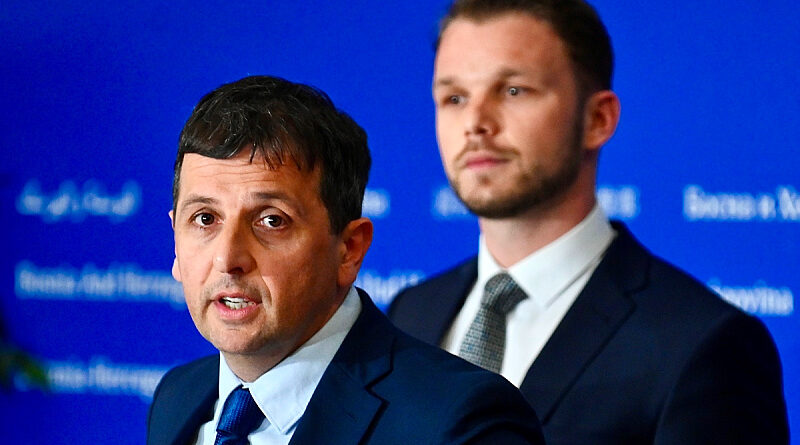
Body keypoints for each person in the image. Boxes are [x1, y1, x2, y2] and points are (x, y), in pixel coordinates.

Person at [389, 1, 790, 443]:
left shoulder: (704, 346)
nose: (475, 123)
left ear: (598, 119)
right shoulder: (410, 313)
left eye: (513, 91)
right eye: (454, 98)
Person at [147, 75, 545, 445]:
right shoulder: (177, 397)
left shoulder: (461, 422)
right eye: (205, 219)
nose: (228, 257)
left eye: (272, 221)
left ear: (349, 249)